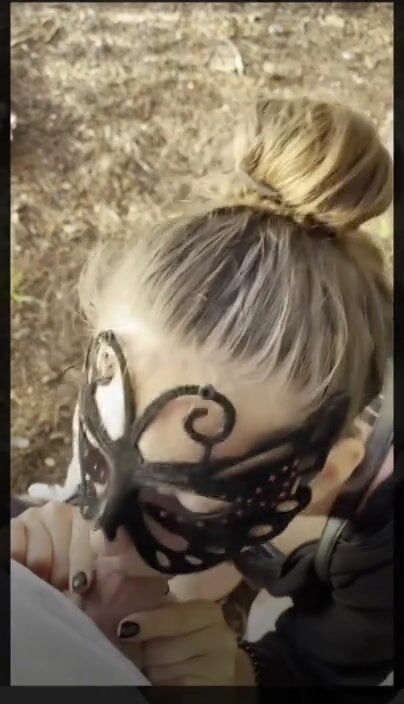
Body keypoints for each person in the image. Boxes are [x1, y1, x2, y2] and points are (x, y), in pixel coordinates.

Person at [11, 97, 393, 687]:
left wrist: (244, 677)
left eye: (176, 507)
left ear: (324, 475)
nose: (101, 528)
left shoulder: (383, 550)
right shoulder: (151, 414)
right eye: (97, 447)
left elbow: (332, 671)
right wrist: (42, 527)